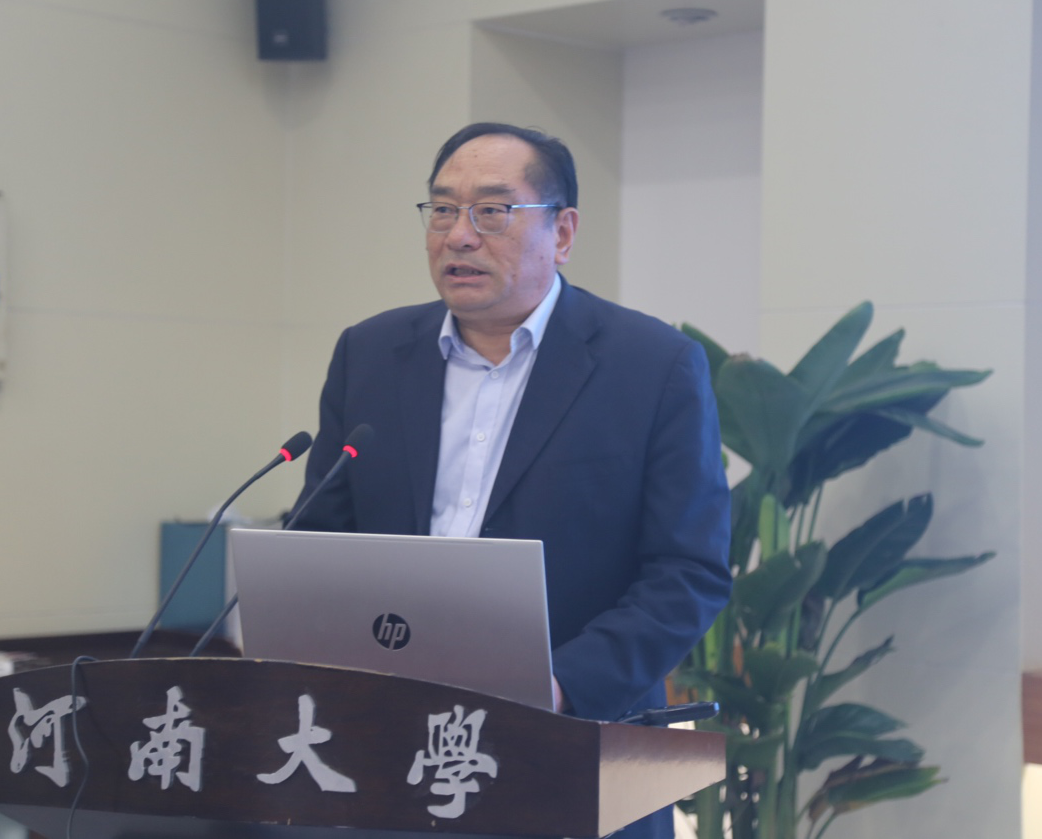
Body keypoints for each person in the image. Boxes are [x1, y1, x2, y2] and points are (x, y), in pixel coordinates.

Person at [290, 122, 731, 839]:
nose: (459, 236)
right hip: (390, 753)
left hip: (575, 754)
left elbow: (688, 572)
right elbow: (320, 539)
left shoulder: (652, 365)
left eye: (492, 211)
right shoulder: (369, 354)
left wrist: (558, 686)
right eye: (442, 210)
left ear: (563, 232)